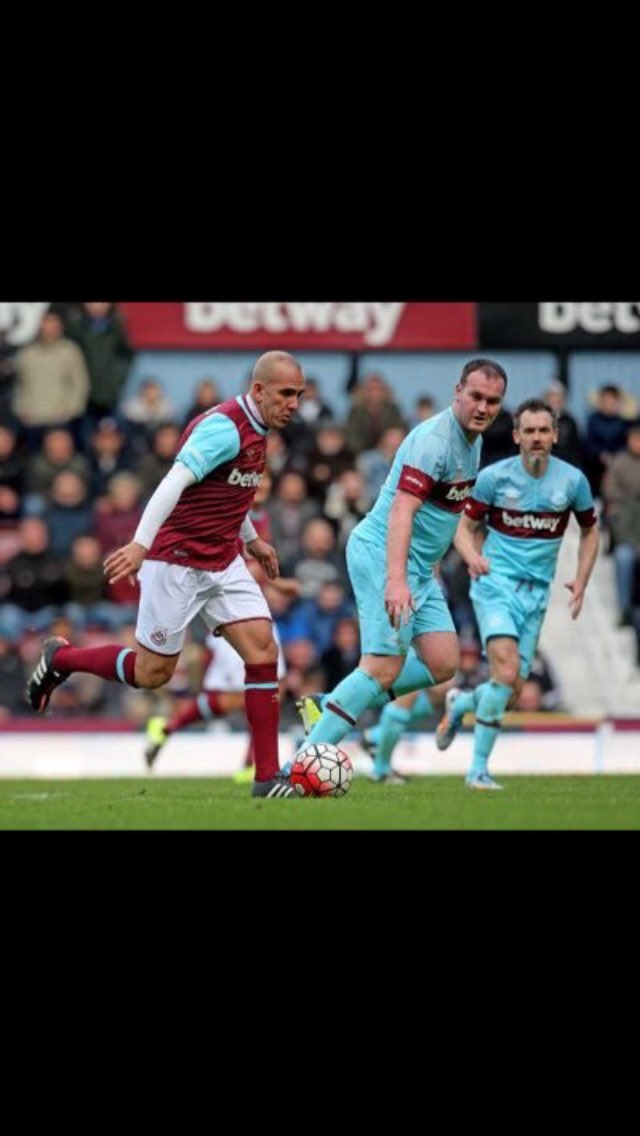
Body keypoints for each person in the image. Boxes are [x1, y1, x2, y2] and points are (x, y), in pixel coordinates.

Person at [24, 351, 306, 799]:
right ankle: (60, 659)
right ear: (258, 390)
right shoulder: (224, 428)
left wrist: (251, 539)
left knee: (262, 649)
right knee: (152, 672)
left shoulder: (257, 428)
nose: (295, 403)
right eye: (287, 393)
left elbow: (233, 490)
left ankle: (266, 777)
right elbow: (173, 482)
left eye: (300, 395)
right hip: (176, 559)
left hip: (222, 558)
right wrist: (139, 544)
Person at [292, 359, 507, 760]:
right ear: (457, 391)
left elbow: (448, 508)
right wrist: (396, 580)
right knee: (381, 667)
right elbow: (401, 511)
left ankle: (331, 703)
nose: (483, 407)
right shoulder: (434, 442)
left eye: (493, 401)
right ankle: (303, 762)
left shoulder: (473, 441)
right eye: (476, 396)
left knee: (443, 662)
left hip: (420, 567)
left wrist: (453, 552)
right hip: (383, 557)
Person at [435, 397, 599, 789]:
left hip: (537, 593)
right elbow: (463, 525)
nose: (537, 437)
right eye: (530, 431)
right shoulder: (494, 478)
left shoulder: (573, 481)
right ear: (516, 436)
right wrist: (472, 555)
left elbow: (591, 531)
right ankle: (477, 770)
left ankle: (461, 702)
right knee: (505, 672)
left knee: (509, 691)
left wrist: (581, 577)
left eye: (544, 430)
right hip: (495, 584)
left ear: (555, 435)